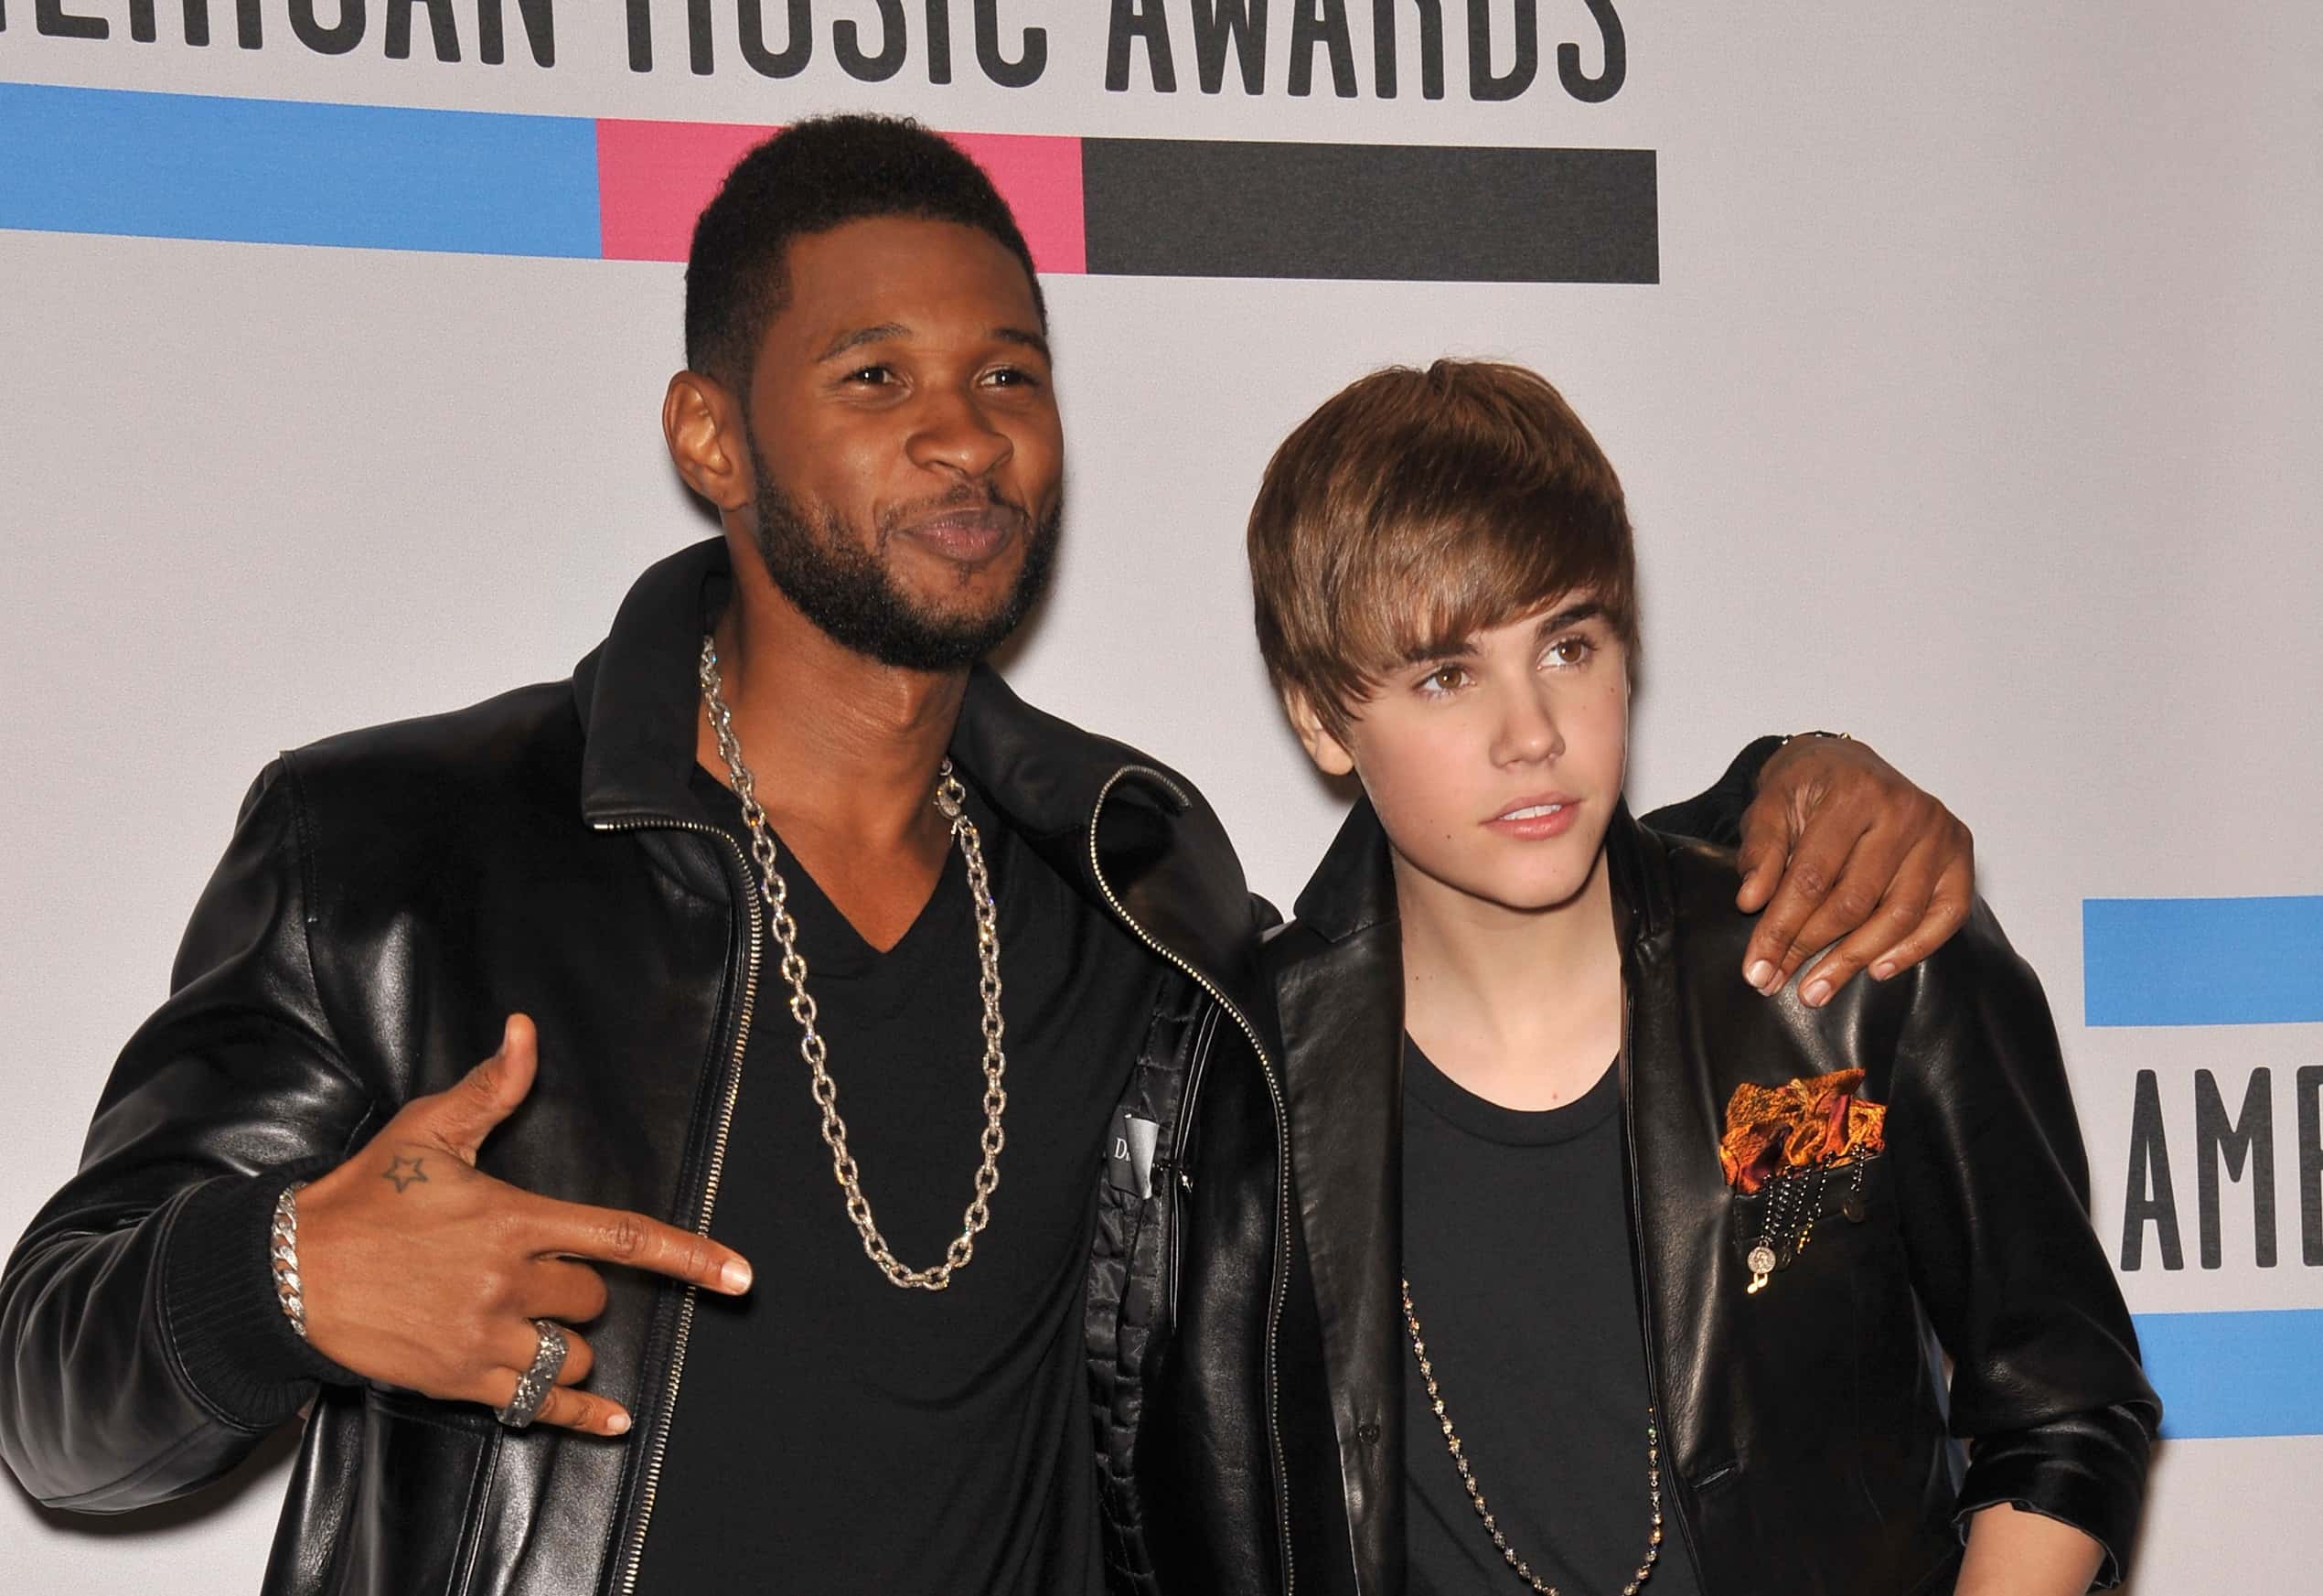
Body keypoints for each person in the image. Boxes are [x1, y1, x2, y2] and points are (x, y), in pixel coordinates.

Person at [0, 122, 1974, 1596]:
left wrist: (1790, 791)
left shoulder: (1137, 889)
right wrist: (273, 1281)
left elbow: (1485, 901)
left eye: (1009, 375)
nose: (967, 439)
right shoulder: (411, 851)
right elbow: (56, 1410)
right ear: (712, 434)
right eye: (875, 381)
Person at [1250, 359, 2158, 1596]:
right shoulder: (1245, 1078)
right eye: (1447, 674)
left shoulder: (1844, 964)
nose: (1534, 732)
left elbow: (2063, 1405)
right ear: (1318, 716)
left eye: (1569, 643)